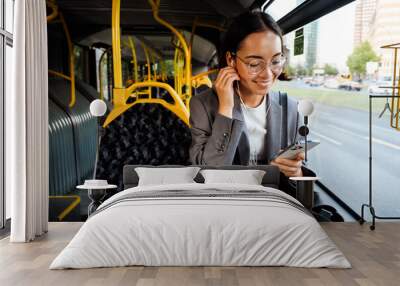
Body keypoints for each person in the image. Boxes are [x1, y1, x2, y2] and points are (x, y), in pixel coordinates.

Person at [188, 11, 314, 194]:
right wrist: (225, 109)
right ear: (231, 60)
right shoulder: (203, 105)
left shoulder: (291, 109)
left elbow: (299, 182)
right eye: (254, 64)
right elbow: (205, 175)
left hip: (273, 203)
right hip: (224, 204)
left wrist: (296, 172)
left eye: (276, 61)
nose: (268, 74)